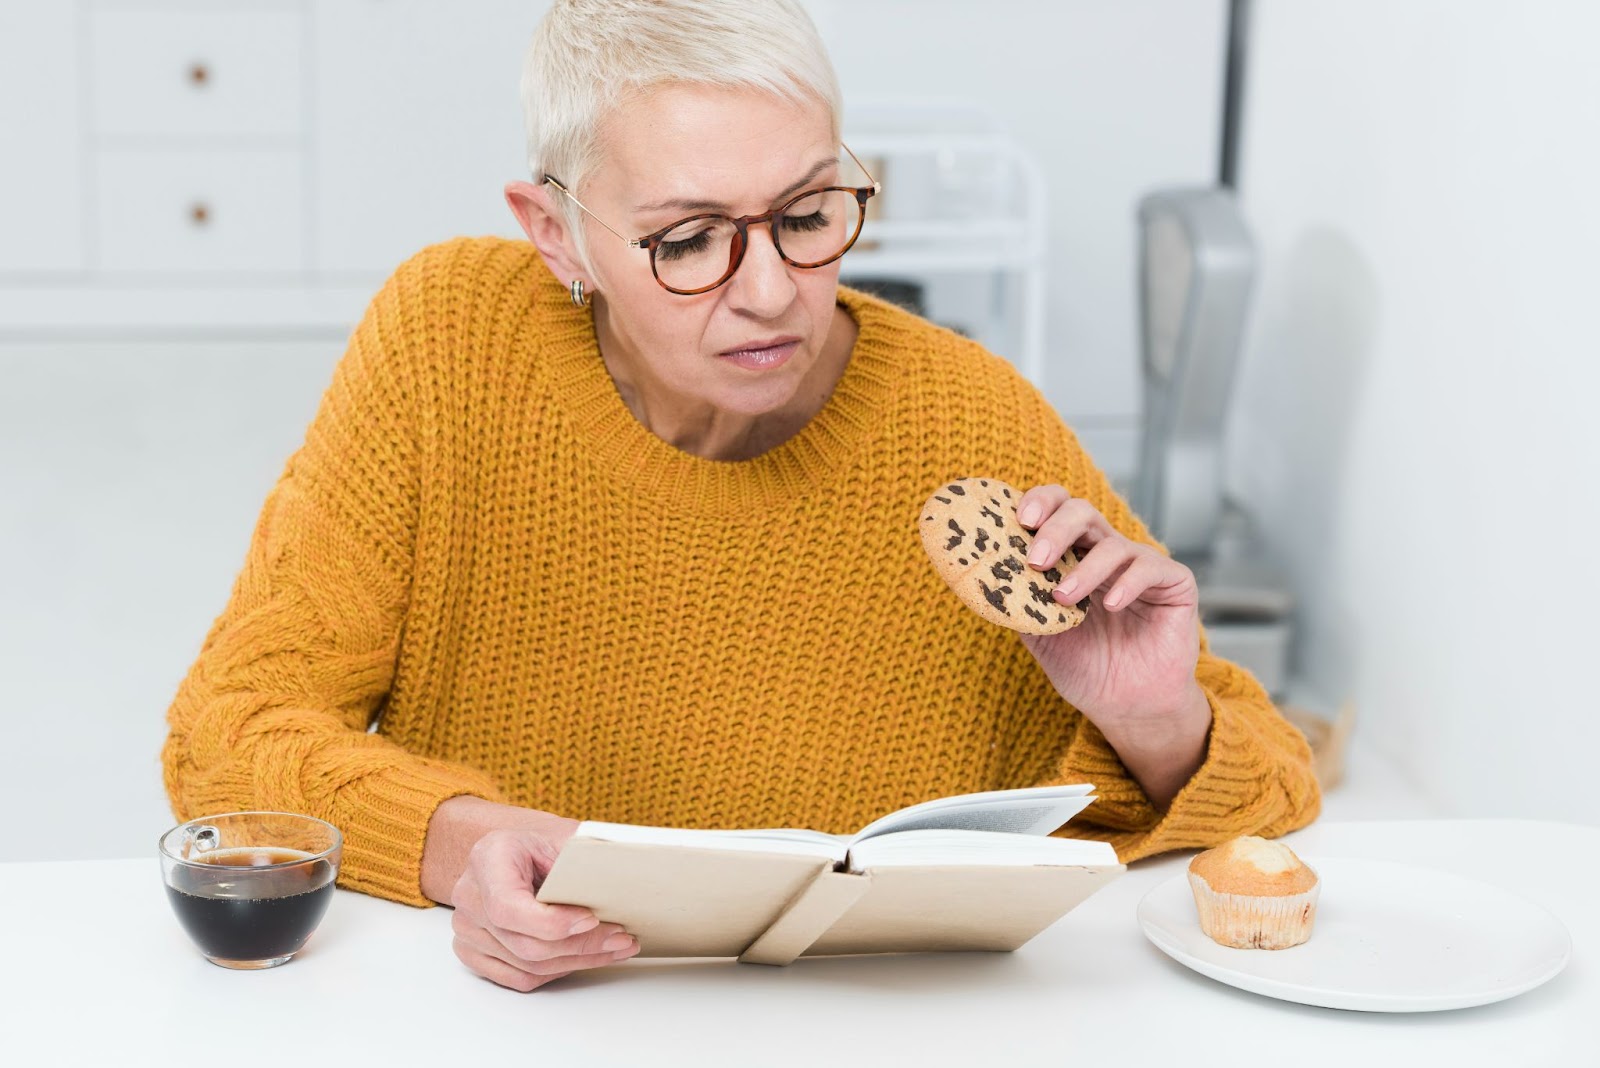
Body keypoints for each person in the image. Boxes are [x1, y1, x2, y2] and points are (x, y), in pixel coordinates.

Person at [163, 0, 1319, 993]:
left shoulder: (971, 419)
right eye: (687, 240)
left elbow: (1273, 783)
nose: (770, 292)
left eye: (809, 216)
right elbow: (225, 735)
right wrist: (454, 844)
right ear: (557, 233)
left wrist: (1150, 718)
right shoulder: (450, 339)